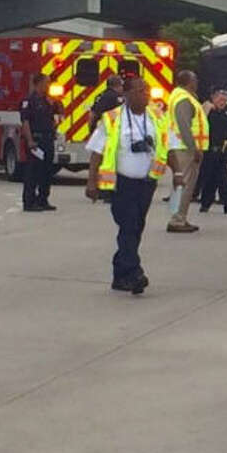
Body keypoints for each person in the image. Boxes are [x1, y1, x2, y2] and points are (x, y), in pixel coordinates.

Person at [84, 77, 169, 295]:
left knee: (135, 228)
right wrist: (91, 181)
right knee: (129, 225)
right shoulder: (112, 119)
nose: (145, 94)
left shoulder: (157, 116)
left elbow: (170, 144)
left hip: (147, 183)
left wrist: (178, 173)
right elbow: (96, 152)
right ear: (128, 94)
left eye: (146, 91)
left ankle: (119, 275)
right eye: (140, 91)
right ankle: (134, 273)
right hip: (122, 183)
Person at [165, 71, 208, 233]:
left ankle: (178, 217)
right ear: (189, 82)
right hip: (184, 148)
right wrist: (194, 148)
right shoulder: (184, 99)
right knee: (184, 184)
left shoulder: (180, 96)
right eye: (195, 79)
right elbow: (184, 126)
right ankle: (177, 220)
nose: (197, 82)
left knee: (181, 184)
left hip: (181, 146)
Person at [19, 73, 57, 212]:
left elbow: (54, 118)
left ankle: (43, 199)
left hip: (47, 140)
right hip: (36, 141)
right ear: (38, 83)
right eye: (47, 83)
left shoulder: (47, 101)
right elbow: (26, 122)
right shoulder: (29, 101)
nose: (48, 85)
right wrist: (30, 140)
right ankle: (29, 202)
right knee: (33, 173)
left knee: (46, 172)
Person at [197, 89, 227, 214]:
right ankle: (205, 203)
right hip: (210, 151)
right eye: (220, 99)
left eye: (225, 100)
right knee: (210, 178)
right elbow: (199, 124)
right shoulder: (208, 111)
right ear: (213, 98)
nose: (223, 102)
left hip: (226, 150)